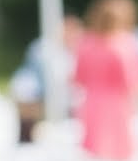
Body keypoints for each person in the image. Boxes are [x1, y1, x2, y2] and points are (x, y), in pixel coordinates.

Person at [72, 0, 138, 161]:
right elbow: (132, 80)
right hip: (117, 106)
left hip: (91, 103)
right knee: (118, 158)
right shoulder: (124, 45)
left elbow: (77, 78)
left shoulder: (85, 43)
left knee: (94, 156)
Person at [9, 14, 84, 143]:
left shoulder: (81, 51)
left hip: (71, 99)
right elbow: (33, 76)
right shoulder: (43, 49)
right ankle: (27, 140)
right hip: (41, 94)